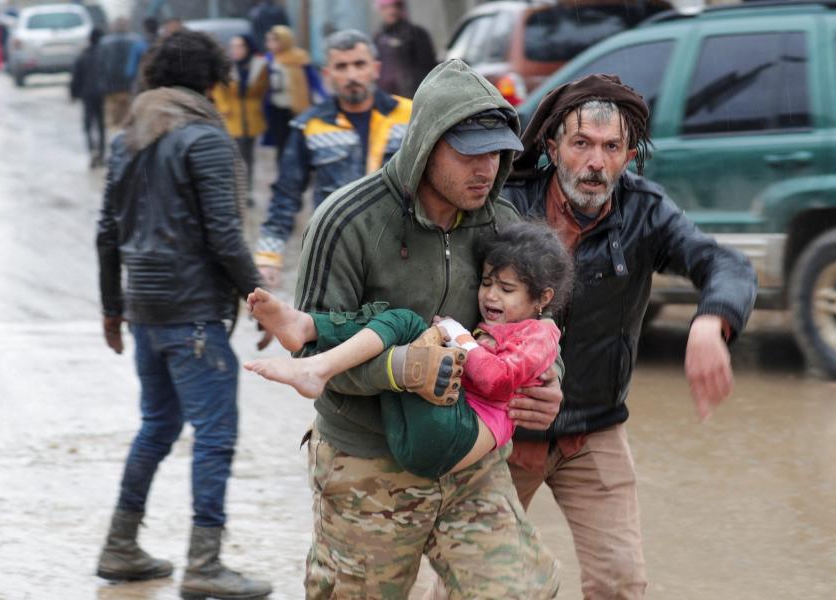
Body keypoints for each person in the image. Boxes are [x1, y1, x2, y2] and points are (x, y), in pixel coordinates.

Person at [287, 57, 562, 598]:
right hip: (368, 462)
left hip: (471, 460)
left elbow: (539, 323)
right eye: (468, 153)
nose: (486, 168)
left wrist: (551, 382)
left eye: (496, 151)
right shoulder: (347, 221)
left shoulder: (503, 222)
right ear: (425, 144)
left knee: (523, 591)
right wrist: (401, 369)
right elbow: (309, 352)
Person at [502, 73, 759, 599]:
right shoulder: (506, 208)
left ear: (629, 155)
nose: (595, 162)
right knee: (471, 586)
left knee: (621, 584)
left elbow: (722, 262)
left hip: (592, 431)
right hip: (502, 428)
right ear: (552, 148)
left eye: (610, 147)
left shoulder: (645, 211)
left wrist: (712, 320)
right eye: (581, 144)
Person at [94, 29, 273, 600]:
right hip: (193, 312)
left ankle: (120, 547)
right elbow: (224, 233)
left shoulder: (128, 140)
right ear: (213, 81)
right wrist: (262, 302)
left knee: (157, 427)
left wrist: (111, 310)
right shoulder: (204, 138)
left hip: (145, 311)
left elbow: (106, 233)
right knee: (216, 434)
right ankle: (205, 564)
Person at [244, 220, 573, 478]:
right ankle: (306, 330)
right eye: (486, 283)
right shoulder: (515, 325)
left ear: (542, 299)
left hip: (455, 437)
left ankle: (313, 348)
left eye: (506, 288)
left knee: (406, 322)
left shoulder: (542, 333)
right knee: (399, 333)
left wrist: (456, 334)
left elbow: (494, 378)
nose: (491, 296)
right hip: (414, 443)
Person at [254, 29, 411, 289]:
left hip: (403, 252)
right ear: (328, 75)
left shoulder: (410, 116)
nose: (351, 75)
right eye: (341, 66)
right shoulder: (310, 126)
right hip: (336, 256)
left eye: (359, 64)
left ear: (375, 68)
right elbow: (285, 194)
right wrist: (269, 257)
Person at [260, 25, 326, 168]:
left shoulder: (299, 57)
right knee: (281, 144)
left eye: (274, 41)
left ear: (284, 41)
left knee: (300, 141)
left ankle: (302, 170)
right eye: (269, 41)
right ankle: (284, 174)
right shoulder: (269, 59)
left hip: (298, 108)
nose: (270, 44)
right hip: (276, 108)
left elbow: (313, 80)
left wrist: (323, 98)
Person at [212, 34, 269, 196]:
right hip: (232, 117)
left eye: (239, 46)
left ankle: (247, 190)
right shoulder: (226, 67)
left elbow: (264, 89)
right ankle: (234, 189)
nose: (235, 50)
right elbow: (218, 89)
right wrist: (223, 106)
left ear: (248, 47)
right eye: (233, 47)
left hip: (251, 117)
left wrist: (259, 104)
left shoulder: (259, 66)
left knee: (249, 156)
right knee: (232, 156)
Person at [372, 0, 437, 98]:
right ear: (380, 9)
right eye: (386, 7)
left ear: (401, 7)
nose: (391, 11)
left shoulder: (417, 34)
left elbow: (428, 68)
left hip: (416, 97)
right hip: (388, 100)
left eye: (395, 6)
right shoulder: (377, 39)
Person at [70, 28, 107, 168]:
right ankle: (102, 153)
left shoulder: (83, 55)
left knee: (88, 124)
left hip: (87, 95)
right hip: (102, 93)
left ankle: (92, 150)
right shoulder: (104, 54)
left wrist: (73, 94)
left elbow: (76, 77)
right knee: (101, 124)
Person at [97, 18, 139, 130]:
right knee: (129, 118)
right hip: (129, 86)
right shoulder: (135, 40)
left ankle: (115, 140)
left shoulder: (104, 43)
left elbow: (100, 65)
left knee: (112, 119)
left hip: (111, 87)